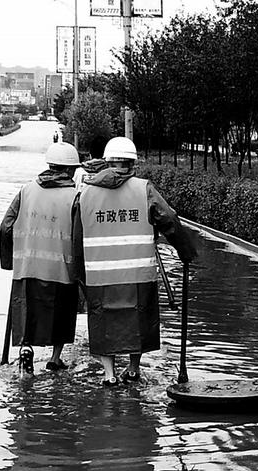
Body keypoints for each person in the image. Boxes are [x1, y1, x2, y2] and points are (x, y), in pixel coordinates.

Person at [72, 136, 197, 386]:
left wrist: (78, 274)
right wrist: (186, 252)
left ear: (106, 163)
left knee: (103, 320)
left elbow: (76, 239)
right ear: (133, 164)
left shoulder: (85, 194)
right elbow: (169, 219)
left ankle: (109, 374)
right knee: (137, 320)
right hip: (138, 275)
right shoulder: (144, 189)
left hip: (100, 276)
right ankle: (132, 368)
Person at [0, 142, 81, 373]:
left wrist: (10, 262)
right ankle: (55, 358)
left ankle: (26, 348)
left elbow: (6, 226)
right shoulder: (75, 196)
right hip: (61, 269)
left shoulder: (26, 190)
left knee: (27, 310)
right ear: (67, 170)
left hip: (27, 267)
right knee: (62, 315)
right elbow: (79, 234)